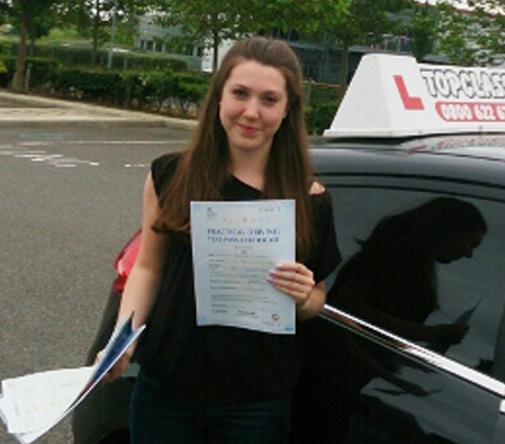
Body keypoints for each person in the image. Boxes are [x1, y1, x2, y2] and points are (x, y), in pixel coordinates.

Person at [99, 36, 341, 444]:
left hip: (256, 403)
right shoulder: (170, 175)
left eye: (269, 99)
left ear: (287, 111)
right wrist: (123, 337)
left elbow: (317, 298)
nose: (251, 112)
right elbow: (148, 267)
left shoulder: (309, 198)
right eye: (240, 94)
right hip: (167, 391)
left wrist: (303, 297)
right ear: (218, 98)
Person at [328, 196, 487, 351]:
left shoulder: (416, 264)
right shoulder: (390, 254)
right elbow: (348, 309)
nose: (468, 254)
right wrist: (430, 334)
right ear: (449, 229)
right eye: (470, 243)